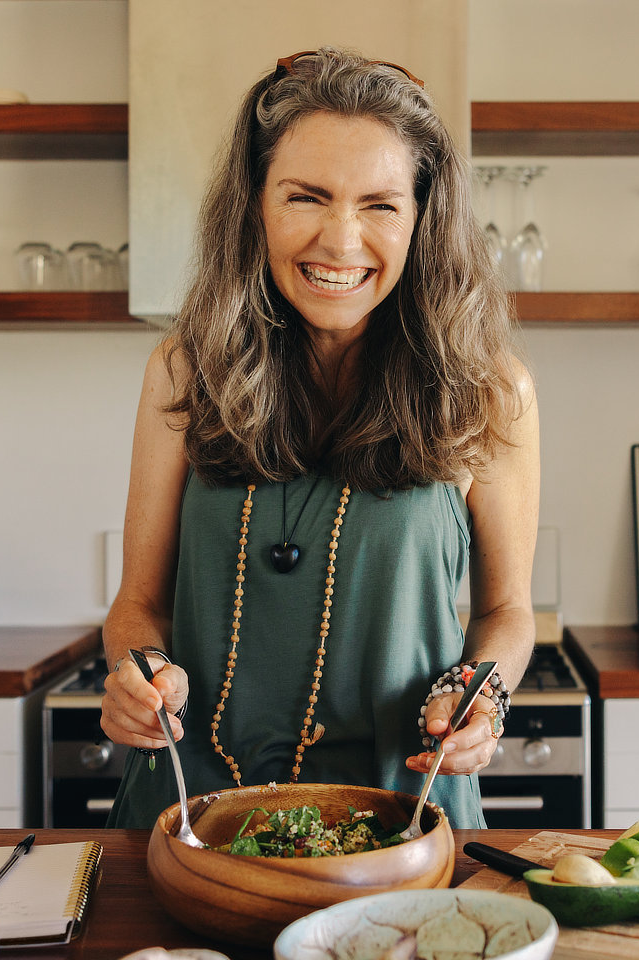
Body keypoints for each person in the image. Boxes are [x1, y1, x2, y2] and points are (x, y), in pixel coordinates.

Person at [100, 47, 539, 830]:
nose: (341, 240)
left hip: (403, 813)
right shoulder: (182, 369)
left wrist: (485, 690)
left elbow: (507, 609)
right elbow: (137, 604)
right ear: (256, 204)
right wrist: (137, 673)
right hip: (193, 813)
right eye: (306, 196)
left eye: (380, 204)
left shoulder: (489, 386)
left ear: (421, 220)